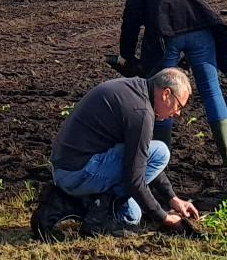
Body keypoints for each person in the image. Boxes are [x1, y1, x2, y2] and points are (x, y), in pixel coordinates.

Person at [35, 69, 201, 237]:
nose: (178, 113)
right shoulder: (141, 113)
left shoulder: (134, 90)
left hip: (66, 170)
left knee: (131, 216)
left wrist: (172, 198)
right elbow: (134, 179)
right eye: (179, 106)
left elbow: (138, 157)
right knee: (161, 152)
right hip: (78, 173)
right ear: (166, 94)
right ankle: (97, 217)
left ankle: (61, 204)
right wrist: (164, 218)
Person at [114, 0, 227, 167]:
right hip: (203, 32)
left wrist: (126, 55)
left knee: (163, 92)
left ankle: (162, 158)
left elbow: (131, 20)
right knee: (211, 90)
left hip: (167, 34)